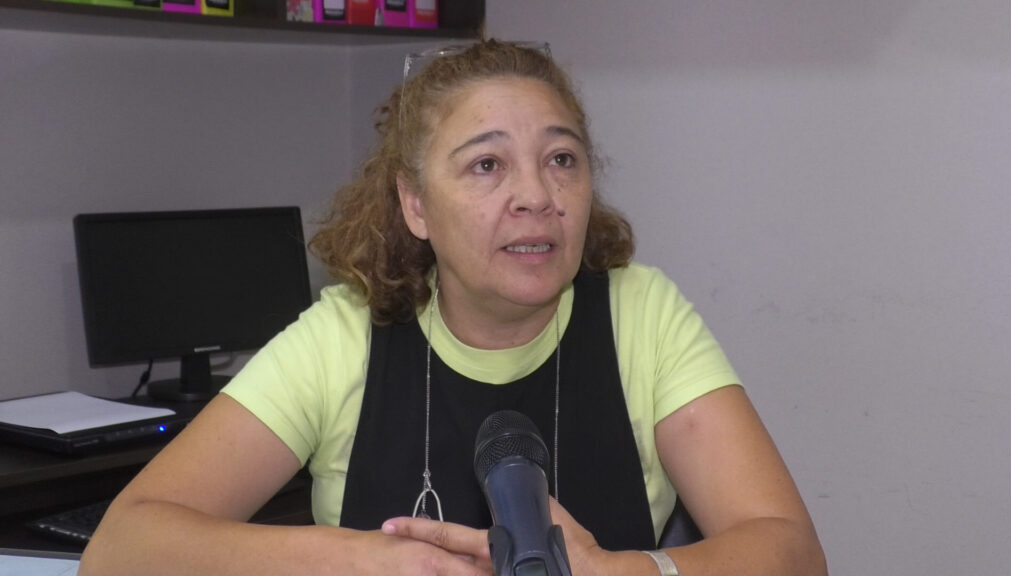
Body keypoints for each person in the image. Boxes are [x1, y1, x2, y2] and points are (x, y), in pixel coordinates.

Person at [79, 39, 827, 576]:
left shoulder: (644, 314)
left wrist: (630, 572)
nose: (536, 195)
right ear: (416, 205)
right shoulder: (344, 336)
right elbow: (120, 549)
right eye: (487, 164)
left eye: (561, 159)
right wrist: (353, 561)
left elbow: (793, 552)